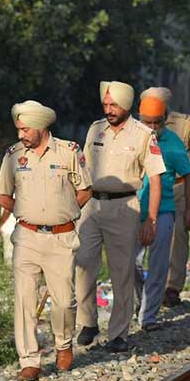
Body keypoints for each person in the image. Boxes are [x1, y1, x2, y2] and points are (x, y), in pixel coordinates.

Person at [0, 100, 92, 381]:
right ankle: (29, 360)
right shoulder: (13, 156)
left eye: (25, 129)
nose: (20, 135)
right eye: (18, 129)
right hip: (26, 236)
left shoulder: (68, 151)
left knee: (64, 301)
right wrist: (30, 211)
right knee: (25, 299)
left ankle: (63, 344)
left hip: (61, 237)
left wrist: (62, 212)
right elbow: (4, 195)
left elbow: (84, 190)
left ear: (40, 126)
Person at [75, 81, 166, 352]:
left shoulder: (143, 134)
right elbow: (83, 168)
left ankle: (118, 334)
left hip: (124, 207)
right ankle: (88, 321)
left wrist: (150, 220)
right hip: (91, 205)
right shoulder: (95, 129)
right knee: (83, 263)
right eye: (105, 104)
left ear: (126, 105)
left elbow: (156, 178)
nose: (109, 110)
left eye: (113, 105)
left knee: (121, 271)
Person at [138, 87, 190, 308]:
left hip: (178, 188)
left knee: (177, 238)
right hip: (144, 188)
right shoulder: (136, 127)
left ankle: (172, 287)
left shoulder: (182, 124)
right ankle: (140, 290)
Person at [134, 93, 190, 331]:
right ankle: (141, 302)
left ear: (164, 120)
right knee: (131, 263)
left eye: (157, 122)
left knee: (159, 265)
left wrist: (189, 209)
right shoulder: (130, 139)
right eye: (147, 122)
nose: (152, 127)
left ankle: (148, 317)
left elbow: (189, 174)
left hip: (163, 211)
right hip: (132, 212)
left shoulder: (172, 142)